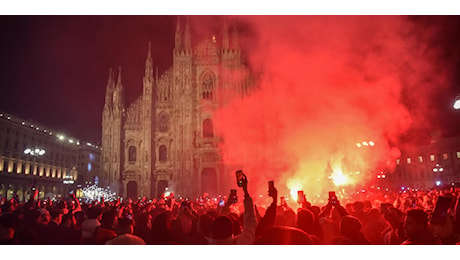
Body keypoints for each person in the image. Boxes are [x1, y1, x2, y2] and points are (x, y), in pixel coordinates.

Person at [206, 171, 256, 245]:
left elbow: (220, 223)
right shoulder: (240, 243)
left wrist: (227, 204)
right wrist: (245, 192)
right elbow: (250, 222)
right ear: (232, 231)